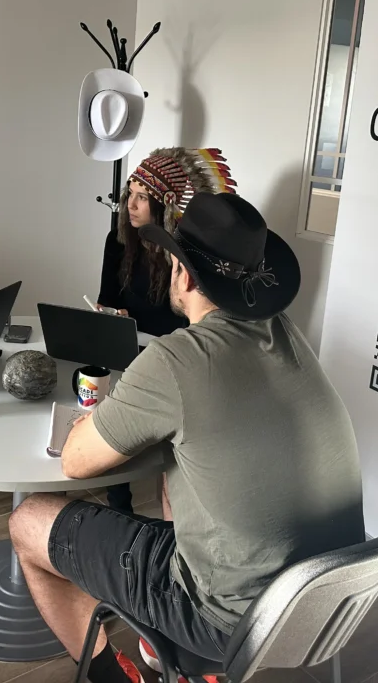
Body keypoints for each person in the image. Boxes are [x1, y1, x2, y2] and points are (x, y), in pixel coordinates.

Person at [10, 192, 365, 683]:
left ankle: (111, 676)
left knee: (28, 522)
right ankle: (164, 656)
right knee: (179, 467)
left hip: (230, 623)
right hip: (331, 604)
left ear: (184, 274)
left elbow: (75, 460)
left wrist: (97, 423)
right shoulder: (283, 331)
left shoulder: (176, 360)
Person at [97, 147, 238, 515]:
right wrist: (111, 313)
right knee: (104, 400)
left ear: (165, 206)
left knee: (173, 446)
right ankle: (119, 503)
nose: (132, 204)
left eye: (143, 197)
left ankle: (170, 515)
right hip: (127, 348)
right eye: (130, 193)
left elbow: (191, 319)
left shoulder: (183, 258)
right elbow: (106, 298)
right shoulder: (117, 242)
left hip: (173, 353)